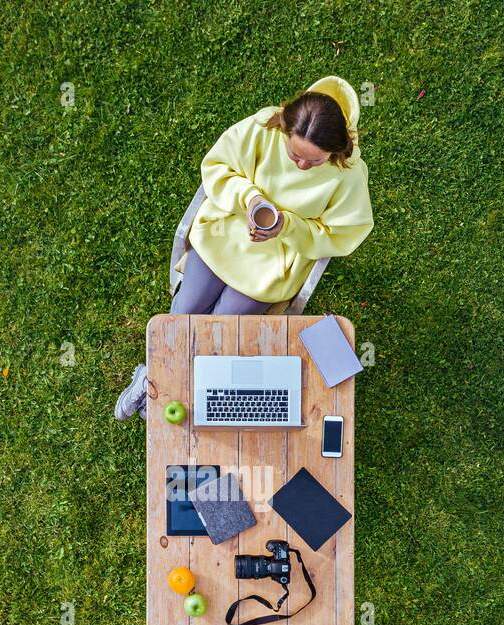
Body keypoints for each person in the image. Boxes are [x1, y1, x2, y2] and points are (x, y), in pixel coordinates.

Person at [115, 76, 374, 420]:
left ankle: (165, 386)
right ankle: (151, 378)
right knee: (185, 312)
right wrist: (250, 198)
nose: (301, 166)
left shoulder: (350, 172)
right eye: (295, 154)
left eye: (314, 162)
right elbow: (218, 166)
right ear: (284, 127)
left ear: (337, 152)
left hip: (272, 264)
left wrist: (288, 227)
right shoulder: (262, 126)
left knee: (220, 331)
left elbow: (343, 232)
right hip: (225, 231)